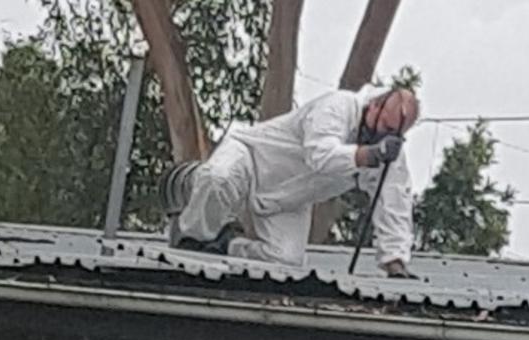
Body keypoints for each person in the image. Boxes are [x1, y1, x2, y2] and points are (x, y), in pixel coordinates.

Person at [164, 87, 420, 278]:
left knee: (285, 264)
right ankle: (189, 227)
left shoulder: (389, 153)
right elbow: (320, 155)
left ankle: (226, 245)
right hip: (251, 159)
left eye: (391, 133)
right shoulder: (337, 107)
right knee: (217, 180)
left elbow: (393, 201)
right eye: (383, 126)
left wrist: (394, 261)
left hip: (286, 201)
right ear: (375, 105)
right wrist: (367, 155)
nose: (381, 136)